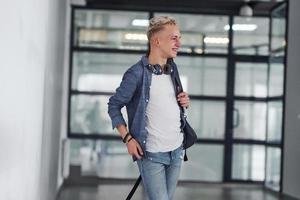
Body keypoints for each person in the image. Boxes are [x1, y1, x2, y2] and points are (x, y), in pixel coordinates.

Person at [107, 16, 190, 200]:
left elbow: (168, 104)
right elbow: (114, 105)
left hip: (176, 150)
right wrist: (128, 138)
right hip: (152, 154)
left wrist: (183, 101)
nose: (179, 43)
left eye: (180, 37)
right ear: (157, 41)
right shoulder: (136, 73)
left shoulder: (172, 69)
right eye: (174, 38)